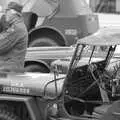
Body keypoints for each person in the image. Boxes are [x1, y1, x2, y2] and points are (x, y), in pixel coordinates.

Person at [0, 1, 28, 73]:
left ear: (12, 12)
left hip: (8, 71)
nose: (5, 14)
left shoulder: (16, 29)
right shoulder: (16, 26)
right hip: (7, 69)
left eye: (6, 11)